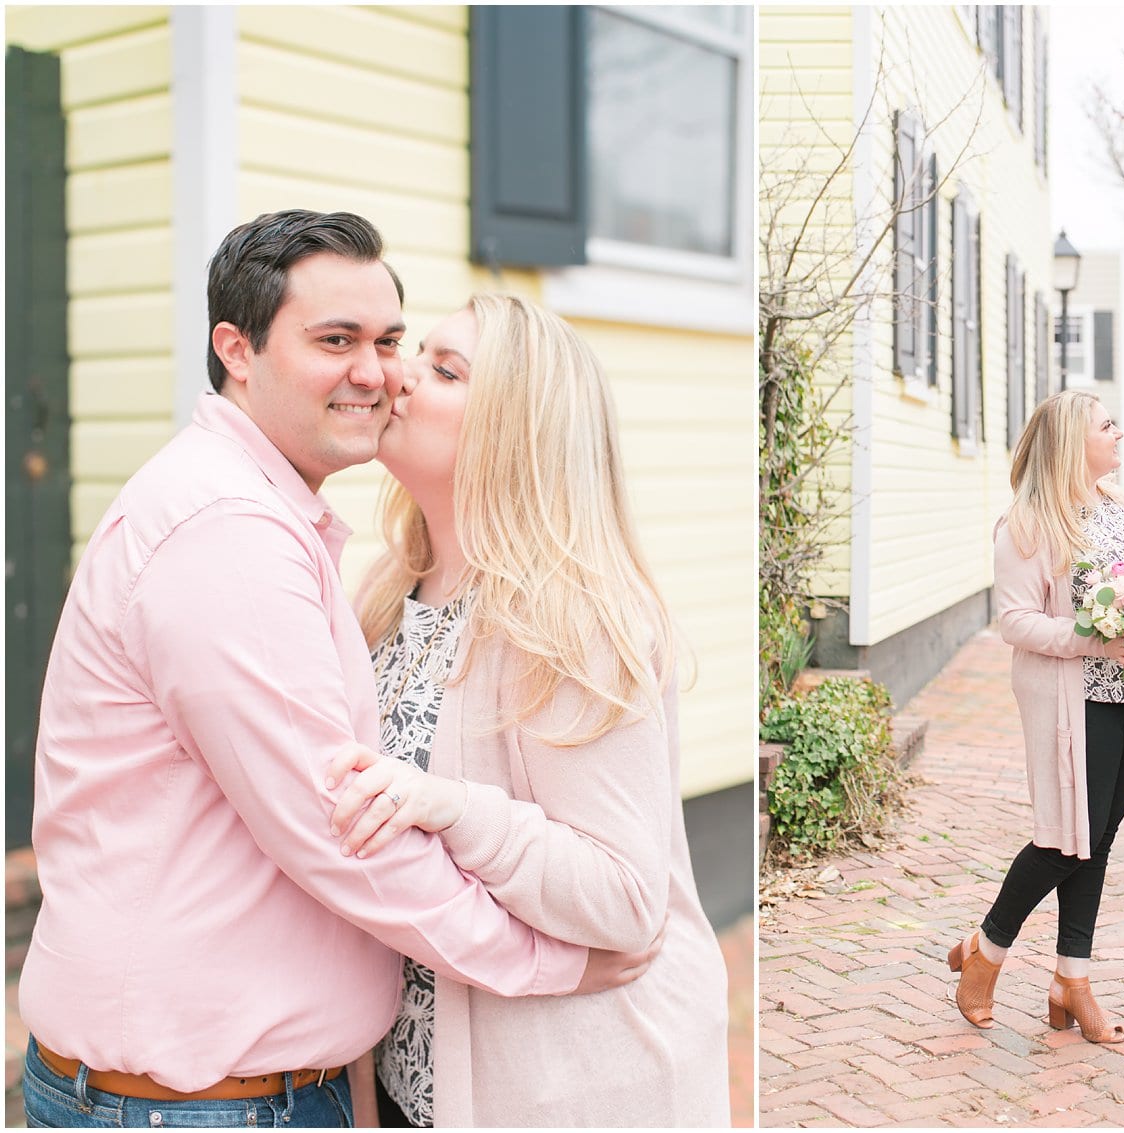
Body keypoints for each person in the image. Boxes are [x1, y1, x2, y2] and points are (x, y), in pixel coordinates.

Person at [18, 211, 648, 1129]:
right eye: (336, 340)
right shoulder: (227, 534)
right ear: (237, 349)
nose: (377, 372)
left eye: (391, 342)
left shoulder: (279, 528)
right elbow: (340, 834)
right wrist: (551, 961)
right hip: (189, 1107)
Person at [320, 292, 731, 1127]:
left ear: (515, 427)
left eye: (443, 369)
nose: (397, 376)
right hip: (418, 1084)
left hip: (572, 1088)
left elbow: (623, 900)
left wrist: (453, 808)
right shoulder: (385, 593)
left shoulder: (569, 620)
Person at [948, 390, 1124, 1042]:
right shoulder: (1026, 523)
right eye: (1106, 426)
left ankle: (1071, 980)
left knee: (1095, 840)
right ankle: (985, 953)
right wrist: (1092, 639)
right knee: (1061, 839)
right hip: (1075, 698)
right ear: (1074, 441)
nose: (1118, 433)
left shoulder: (1120, 502)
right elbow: (1013, 621)